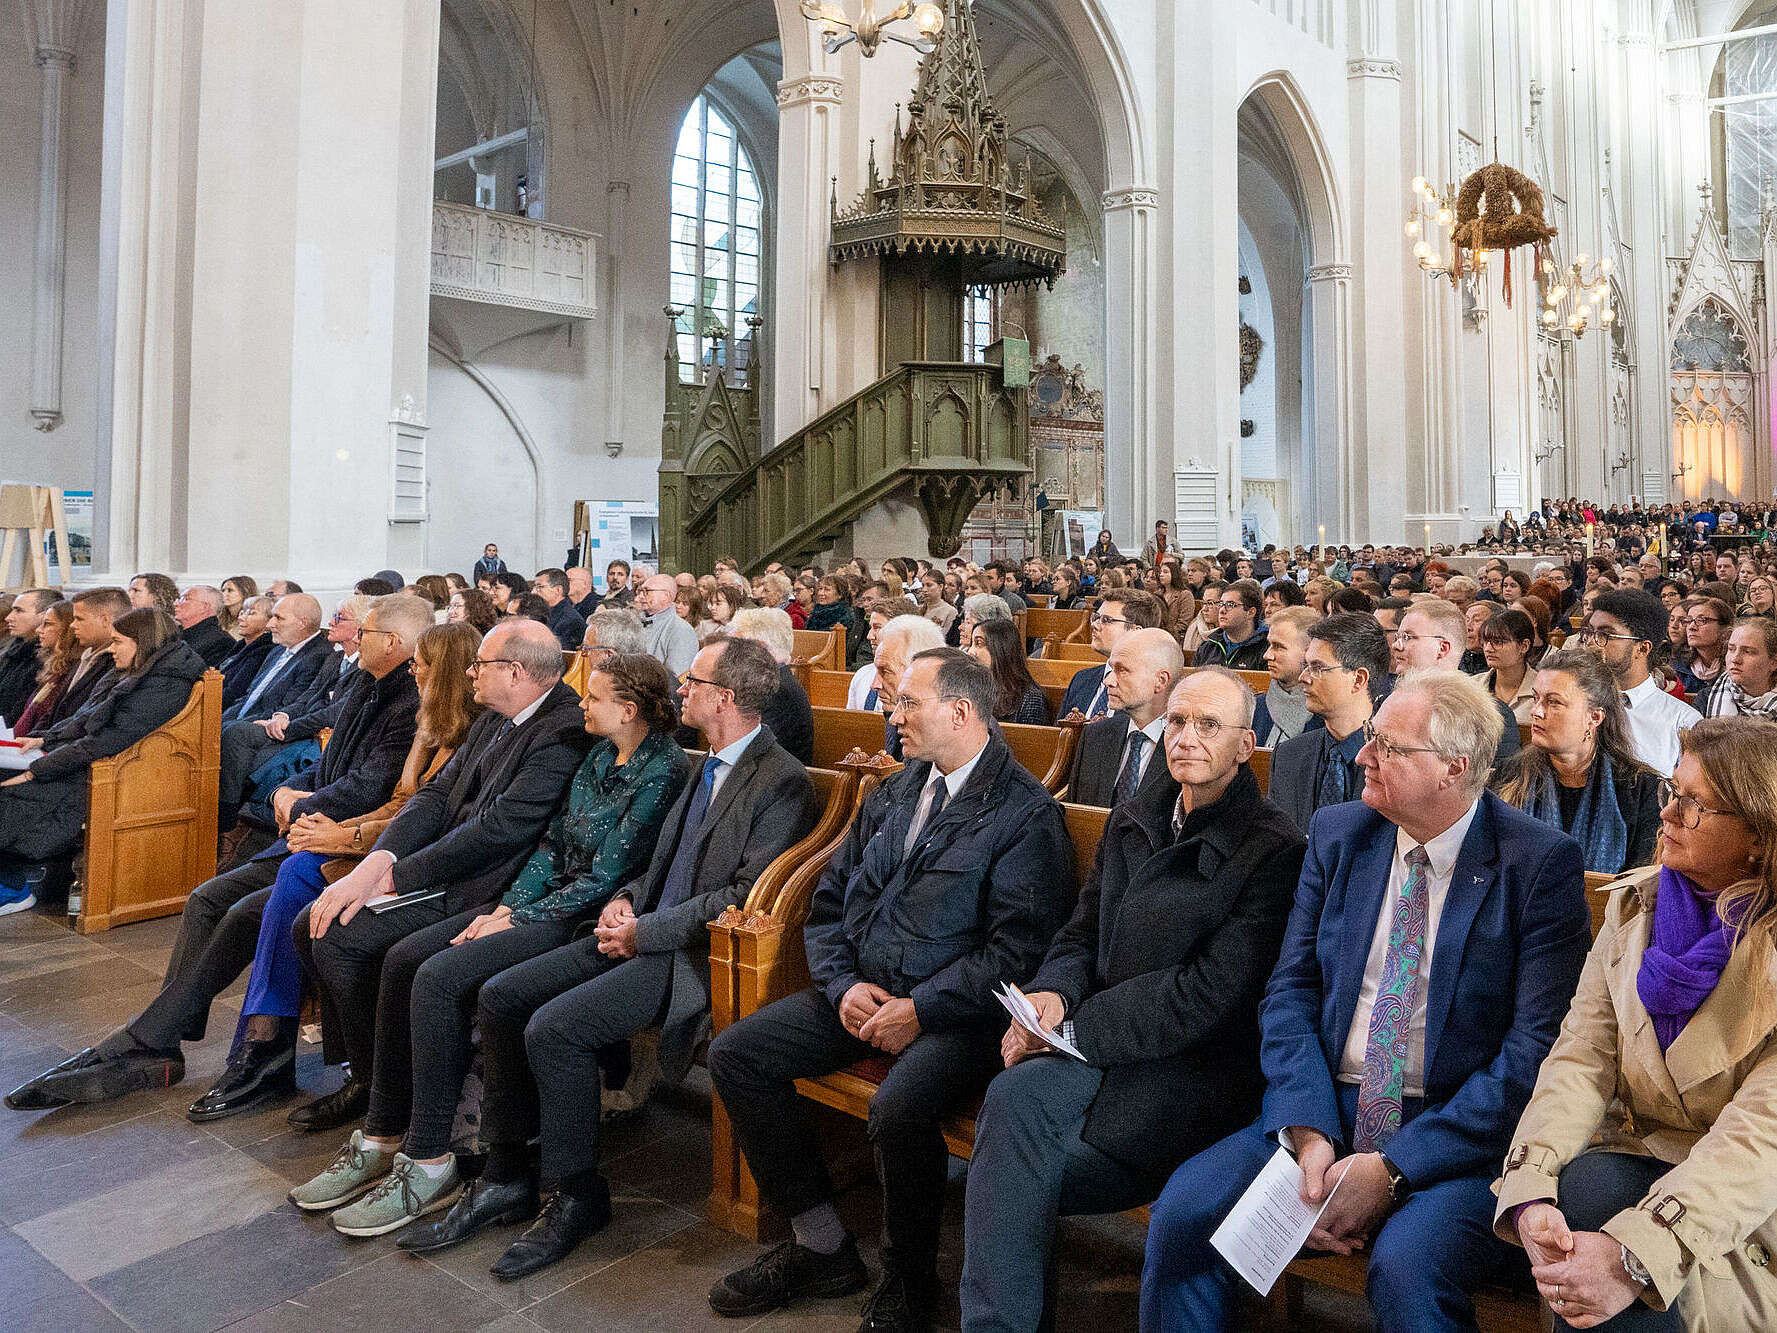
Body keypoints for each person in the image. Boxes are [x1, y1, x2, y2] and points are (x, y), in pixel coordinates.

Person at [1141, 670, 1592, 1333]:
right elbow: (1289, 989)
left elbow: (1532, 1053)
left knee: (1406, 1265)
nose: (1361, 755)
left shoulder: (1536, 862)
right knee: (1185, 1213)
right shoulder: (1340, 833)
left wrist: (1395, 1168)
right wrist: (1308, 1129)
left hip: (1455, 1133)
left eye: (1387, 744)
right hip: (1328, 1104)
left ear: (1452, 767)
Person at [395, 637, 822, 1274]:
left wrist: (643, 931)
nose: (683, 690)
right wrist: (625, 900)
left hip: (693, 958)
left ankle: (578, 1195)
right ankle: (507, 1172)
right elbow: (661, 862)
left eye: (694, 682)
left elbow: (741, 897)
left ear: (726, 699)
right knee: (500, 994)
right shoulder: (705, 761)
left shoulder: (780, 781)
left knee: (556, 1027)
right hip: (641, 929)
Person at [707, 649, 1072, 1328]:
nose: (891, 712)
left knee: (899, 1107)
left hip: (960, 1016)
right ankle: (821, 1244)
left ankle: (910, 1277)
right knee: (737, 1052)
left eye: (908, 702)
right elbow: (830, 899)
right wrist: (843, 983)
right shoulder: (899, 789)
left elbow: (1016, 950)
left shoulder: (1022, 813)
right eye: (893, 699)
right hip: (865, 990)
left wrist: (921, 1007)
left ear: (961, 711)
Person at [290, 653, 692, 1237]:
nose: (582, 701)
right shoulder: (600, 751)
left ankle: (429, 1157)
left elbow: (609, 872)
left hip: (580, 916)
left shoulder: (661, 768)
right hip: (533, 898)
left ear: (628, 710)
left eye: (594, 697)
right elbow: (553, 845)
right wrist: (506, 908)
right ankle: (384, 1132)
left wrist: (517, 912)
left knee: (436, 972)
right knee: (407, 960)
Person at [961, 668, 1307, 1333]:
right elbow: (1081, 930)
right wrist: (1051, 996)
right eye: (1176, 722)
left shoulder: (1273, 850)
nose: (1186, 737)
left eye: (1208, 724)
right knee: (1008, 1101)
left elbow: (1206, 995)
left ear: (1245, 744)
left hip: (1185, 1072)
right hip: (1096, 1051)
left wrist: (1074, 1027)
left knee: (1014, 1167)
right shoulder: (1135, 816)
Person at [4, 599, 432, 1108]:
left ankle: (170, 1041)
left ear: (394, 643)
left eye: (364, 630)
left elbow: (375, 786)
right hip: (312, 829)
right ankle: (159, 1039)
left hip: (342, 842)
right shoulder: (366, 683)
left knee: (242, 911)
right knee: (207, 897)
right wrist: (286, 790)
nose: (352, 638)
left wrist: (304, 804)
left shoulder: (409, 701)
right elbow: (332, 764)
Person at [1494, 718, 1777, 1332]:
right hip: (1651, 1164)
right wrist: (1532, 1185)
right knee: (1584, 1195)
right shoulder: (1638, 907)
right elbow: (1581, 1057)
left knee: (1614, 1258)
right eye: (1670, 792)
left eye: (1694, 804)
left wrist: (1634, 1257)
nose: (1668, 814)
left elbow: (1759, 1140)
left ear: (1758, 836)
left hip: (1750, 1207)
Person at [290, 620, 593, 1134]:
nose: (470, 672)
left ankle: (386, 1087)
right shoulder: (495, 715)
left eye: (482, 664)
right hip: (447, 866)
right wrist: (376, 862)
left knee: (339, 936)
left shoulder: (562, 730)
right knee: (311, 924)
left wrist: (394, 879)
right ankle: (372, 1075)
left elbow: (501, 831)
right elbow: (434, 796)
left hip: (492, 886)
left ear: (516, 672)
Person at [0, 609, 207, 876]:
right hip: (90, 762)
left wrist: (36, 771)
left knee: (15, 794)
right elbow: (85, 716)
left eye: (117, 641)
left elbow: (107, 741)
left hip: (116, 775)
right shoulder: (136, 668)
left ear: (141, 641)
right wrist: (45, 738)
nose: (110, 649)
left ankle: (15, 884)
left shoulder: (166, 682)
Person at [1491, 646, 1662, 877]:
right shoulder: (1510, 776)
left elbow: (1640, 880)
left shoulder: (1641, 787)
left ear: (1595, 717)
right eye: (1536, 698)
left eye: (1553, 702)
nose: (1536, 711)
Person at [1269, 613, 1393, 834]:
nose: (1303, 677)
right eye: (1306, 666)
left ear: (1358, 679)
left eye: (1317, 668)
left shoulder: (1394, 761)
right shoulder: (1288, 756)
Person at [1391, 599, 1521, 771]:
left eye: (1407, 637)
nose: (1395, 645)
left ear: (1442, 648)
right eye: (1397, 637)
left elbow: (1499, 787)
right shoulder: (1389, 702)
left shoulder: (1491, 713)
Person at [1582, 589, 1700, 778]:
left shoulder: (1681, 722)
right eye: (1589, 633)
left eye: (1605, 635)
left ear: (1643, 648)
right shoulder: (1576, 704)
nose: (1591, 643)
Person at [1065, 628, 1184, 808]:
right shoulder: (1095, 735)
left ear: (1160, 680)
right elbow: (1076, 813)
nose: (1108, 681)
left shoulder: (1187, 747)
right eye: (1112, 669)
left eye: (1123, 670)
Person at [727, 607, 817, 766]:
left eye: (735, 646)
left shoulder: (778, 691)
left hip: (775, 782)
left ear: (759, 648)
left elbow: (752, 750)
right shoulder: (770, 681)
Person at [1058, 589, 1165, 721]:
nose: (1094, 624)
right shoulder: (1082, 679)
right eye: (1096, 617)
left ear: (1136, 632)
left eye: (1106, 620)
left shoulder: (1149, 692)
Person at [39, 587, 131, 730]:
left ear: (105, 620)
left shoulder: (117, 661)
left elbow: (88, 720)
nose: (72, 625)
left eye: (79, 619)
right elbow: (55, 710)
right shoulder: (86, 655)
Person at [966, 617, 1051, 724]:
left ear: (1000, 649)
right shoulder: (970, 688)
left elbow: (1029, 739)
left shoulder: (1030, 699)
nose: (970, 652)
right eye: (971, 644)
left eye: (978, 643)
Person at [1253, 605, 1317, 746]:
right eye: (1269, 645)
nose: (1267, 655)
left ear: (1309, 652)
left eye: (1278, 646)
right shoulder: (1256, 708)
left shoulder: (1327, 717)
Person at [1698, 616, 1777, 717]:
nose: (1735, 659)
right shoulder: (1706, 698)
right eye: (1731, 649)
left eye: (1747, 652)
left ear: (1773, 663)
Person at [0, 588, 52, 725]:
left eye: (19, 610)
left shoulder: (46, 660)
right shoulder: (17, 650)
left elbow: (18, 715)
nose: (9, 617)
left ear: (43, 615)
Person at [1195, 579, 1270, 670]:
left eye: (1230, 604)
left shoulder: (1267, 649)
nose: (1222, 610)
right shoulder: (1208, 647)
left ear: (1251, 612)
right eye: (1221, 604)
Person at [633, 573, 698, 676]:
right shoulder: (634, 622)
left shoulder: (681, 630)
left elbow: (676, 680)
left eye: (647, 591)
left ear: (666, 596)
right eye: (640, 591)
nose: (640, 596)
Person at [1481, 607, 1539, 721]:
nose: (1488, 649)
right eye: (1486, 641)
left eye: (1498, 642)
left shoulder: (1542, 690)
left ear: (1524, 646)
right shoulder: (1472, 687)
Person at [218, 596, 277, 707]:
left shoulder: (264, 650)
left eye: (251, 613)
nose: (241, 618)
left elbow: (234, 692)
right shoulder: (241, 645)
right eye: (242, 612)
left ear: (269, 621)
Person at [174, 585, 235, 667]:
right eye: (179, 598)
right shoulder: (173, 635)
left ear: (204, 607)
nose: (176, 603)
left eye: (185, 599)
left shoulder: (221, 642)